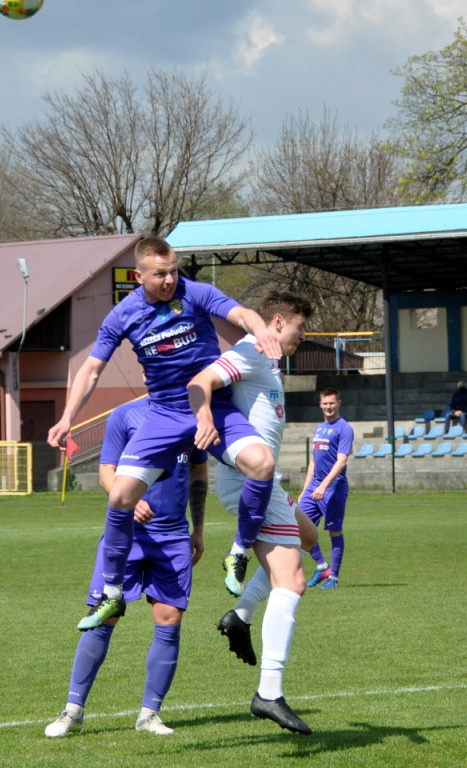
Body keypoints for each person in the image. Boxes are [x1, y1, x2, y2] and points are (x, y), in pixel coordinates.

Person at [47, 236, 282, 631]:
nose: (171, 280)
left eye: (174, 271)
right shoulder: (122, 315)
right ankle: (112, 592)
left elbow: (240, 313)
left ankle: (239, 550)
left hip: (213, 406)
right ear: (139, 275)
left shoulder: (196, 292)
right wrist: (68, 416)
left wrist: (261, 330)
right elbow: (90, 370)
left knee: (263, 464)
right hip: (164, 414)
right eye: (161, 274)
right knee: (120, 496)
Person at [188, 291, 316, 735]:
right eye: (300, 327)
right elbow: (202, 381)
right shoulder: (251, 351)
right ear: (278, 321)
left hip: (264, 482)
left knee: (310, 540)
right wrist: (204, 417)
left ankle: (240, 616)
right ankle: (269, 692)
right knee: (293, 579)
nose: (303, 336)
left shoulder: (267, 359)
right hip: (248, 481)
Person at [44, 395, 208, 738]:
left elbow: (198, 473)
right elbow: (107, 471)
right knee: (103, 615)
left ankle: (150, 714)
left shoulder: (194, 417)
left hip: (174, 537)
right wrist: (128, 502)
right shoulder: (124, 415)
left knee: (169, 620)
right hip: (126, 537)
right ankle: (72, 711)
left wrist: (199, 528)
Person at [300, 388, 354, 590]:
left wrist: (324, 485)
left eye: (332, 403)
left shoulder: (344, 428)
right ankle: (322, 566)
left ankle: (334, 578)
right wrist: (306, 489)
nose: (328, 407)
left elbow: (341, 462)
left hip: (334, 488)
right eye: (325, 403)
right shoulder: (319, 428)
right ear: (320, 404)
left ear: (339, 403)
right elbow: (313, 462)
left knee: (334, 530)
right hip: (314, 487)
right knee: (299, 526)